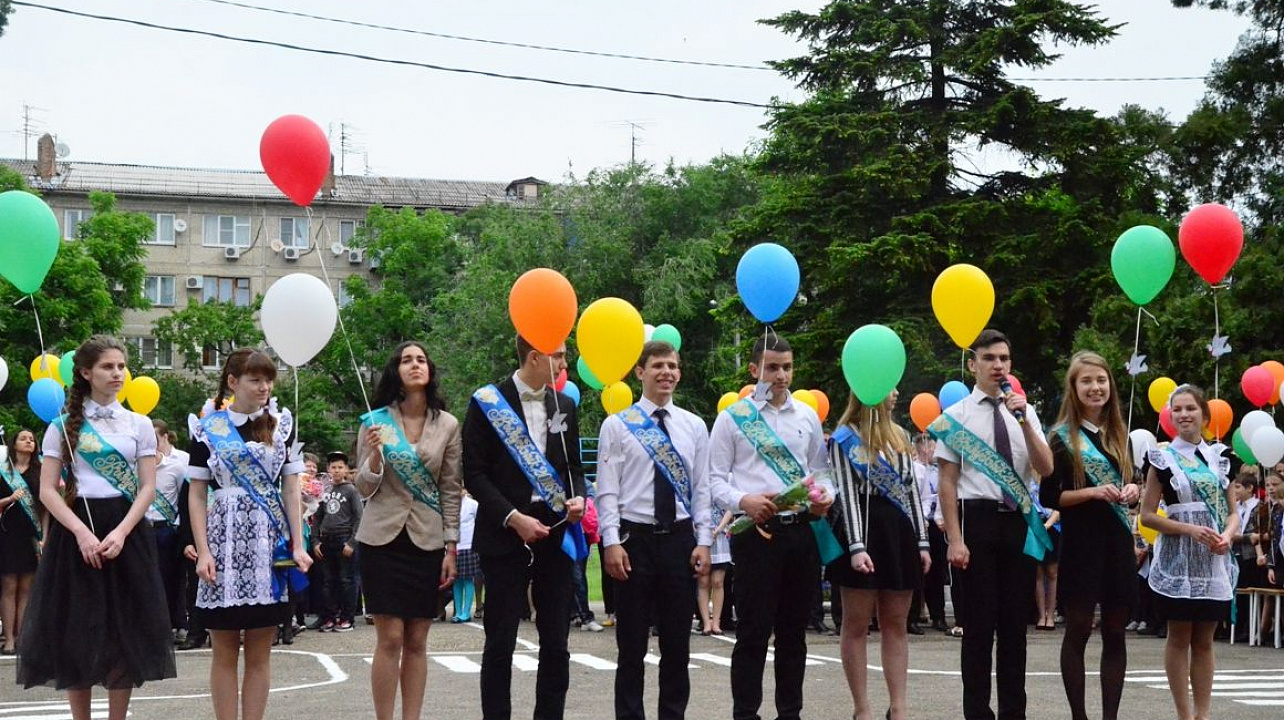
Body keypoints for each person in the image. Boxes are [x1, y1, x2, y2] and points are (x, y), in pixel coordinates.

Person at [17, 335, 177, 720]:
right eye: (108, 366)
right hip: (77, 533)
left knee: (124, 633)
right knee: (79, 631)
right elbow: (48, 491)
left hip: (127, 532)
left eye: (121, 366)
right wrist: (81, 534)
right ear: (86, 373)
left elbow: (148, 487)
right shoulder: (61, 427)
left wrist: (121, 532)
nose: (118, 373)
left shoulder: (139, 424)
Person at [708, 333, 834, 720]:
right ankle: (746, 712)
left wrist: (825, 496)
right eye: (772, 367)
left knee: (794, 632)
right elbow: (714, 480)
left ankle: (790, 712)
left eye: (787, 367)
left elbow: (822, 472)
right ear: (754, 369)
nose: (781, 375)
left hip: (800, 532)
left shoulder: (807, 417)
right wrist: (742, 501)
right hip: (756, 533)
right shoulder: (733, 418)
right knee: (753, 632)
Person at [931, 328, 1054, 720]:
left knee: (1015, 628)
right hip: (977, 521)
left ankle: (1013, 712)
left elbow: (1046, 468)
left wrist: (1024, 421)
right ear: (973, 365)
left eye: (1003, 358)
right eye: (989, 358)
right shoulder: (955, 417)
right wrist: (954, 539)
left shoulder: (1025, 412)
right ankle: (977, 712)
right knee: (979, 629)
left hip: (1017, 520)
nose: (997, 365)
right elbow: (947, 482)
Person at [463, 336, 586, 720]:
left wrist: (578, 498)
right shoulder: (487, 402)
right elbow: (475, 473)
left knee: (556, 642)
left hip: (555, 530)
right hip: (505, 533)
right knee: (500, 641)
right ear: (535, 357)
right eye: (560, 355)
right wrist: (512, 518)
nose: (566, 362)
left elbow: (574, 469)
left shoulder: (564, 404)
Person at [187, 348, 311, 720]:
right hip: (222, 540)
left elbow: (291, 489)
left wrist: (298, 543)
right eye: (255, 379)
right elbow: (196, 493)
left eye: (268, 379)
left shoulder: (281, 425)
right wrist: (203, 551)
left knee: (261, 648)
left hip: (266, 545)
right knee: (223, 649)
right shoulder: (209, 427)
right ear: (233, 382)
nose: (264, 387)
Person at [598, 340, 712, 720]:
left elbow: (702, 489)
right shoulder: (617, 425)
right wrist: (611, 542)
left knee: (677, 646)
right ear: (640, 372)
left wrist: (704, 541)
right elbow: (608, 489)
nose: (667, 372)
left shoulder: (694, 426)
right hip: (634, 541)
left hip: (679, 540)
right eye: (659, 365)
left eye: (673, 366)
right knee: (630, 646)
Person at [355, 341, 464, 720]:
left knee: (417, 640)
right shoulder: (375, 422)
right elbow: (363, 487)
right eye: (406, 360)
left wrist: (451, 547)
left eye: (420, 359)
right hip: (381, 540)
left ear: (429, 370)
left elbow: (451, 488)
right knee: (390, 638)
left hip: (427, 539)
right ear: (396, 372)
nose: (414, 365)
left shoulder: (448, 424)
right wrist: (373, 457)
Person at [1038, 351, 1138, 720]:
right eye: (1087, 382)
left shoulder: (1120, 436)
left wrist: (1132, 492)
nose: (1096, 388)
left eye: (1101, 381)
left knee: (1116, 631)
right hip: (1081, 543)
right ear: (1074, 387)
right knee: (1078, 628)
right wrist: (1093, 493)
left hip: (1117, 542)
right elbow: (1050, 497)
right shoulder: (1061, 438)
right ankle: (1079, 716)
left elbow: (1133, 483)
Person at [827, 390, 930, 720]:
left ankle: (898, 706)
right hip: (862, 529)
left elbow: (911, 489)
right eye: (889, 386)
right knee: (857, 624)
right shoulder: (845, 437)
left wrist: (922, 541)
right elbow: (845, 495)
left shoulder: (900, 435)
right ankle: (862, 709)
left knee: (896, 623)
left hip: (897, 532)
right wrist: (856, 547)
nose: (896, 393)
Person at [1140, 384, 1238, 720]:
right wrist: (1189, 529)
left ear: (1204, 414)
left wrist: (1227, 535)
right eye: (1177, 410)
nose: (1184, 415)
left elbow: (1233, 512)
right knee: (1179, 636)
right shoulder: (1161, 458)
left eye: (1190, 408)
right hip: (1178, 560)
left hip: (1212, 560)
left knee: (1206, 640)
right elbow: (1148, 514)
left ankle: (1203, 713)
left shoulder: (1221, 459)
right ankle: (1184, 713)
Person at [1, 428, 42, 655]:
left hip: (31, 535)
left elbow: (46, 509)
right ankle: (9, 638)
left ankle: (23, 636)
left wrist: (44, 536)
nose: (28, 441)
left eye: (32, 439)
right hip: (7, 534)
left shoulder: (40, 471)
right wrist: (9, 498)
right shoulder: (3, 471)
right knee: (9, 585)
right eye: (23, 438)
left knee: (27, 586)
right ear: (13, 443)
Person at [314, 451, 364, 632]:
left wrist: (352, 542)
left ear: (346, 470)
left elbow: (359, 517)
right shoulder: (323, 490)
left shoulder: (351, 490)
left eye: (340, 467)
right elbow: (317, 517)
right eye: (333, 467)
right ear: (328, 469)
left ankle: (347, 618)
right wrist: (315, 541)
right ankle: (329, 617)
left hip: (345, 539)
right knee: (328, 582)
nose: (336, 471)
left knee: (347, 580)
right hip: (326, 541)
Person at [150, 420, 188, 642]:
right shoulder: (136, 466)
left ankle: (178, 623)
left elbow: (186, 499)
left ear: (164, 437)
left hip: (168, 529)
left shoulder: (179, 464)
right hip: (143, 529)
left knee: (172, 578)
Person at [912, 433, 949, 632]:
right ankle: (915, 614)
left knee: (937, 570)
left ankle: (939, 615)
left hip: (937, 524)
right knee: (918, 570)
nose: (934, 450)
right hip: (920, 523)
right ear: (923, 448)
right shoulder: (914, 468)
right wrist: (923, 519)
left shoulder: (939, 470)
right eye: (931, 446)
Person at [1230, 471, 1264, 643]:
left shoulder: (1259, 506)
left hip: (1250, 555)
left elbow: (1257, 533)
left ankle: (1248, 628)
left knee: (1249, 589)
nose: (1235, 491)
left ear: (1250, 488)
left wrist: (1248, 538)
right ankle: (1238, 626)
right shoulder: (1237, 507)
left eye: (1238, 487)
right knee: (1239, 592)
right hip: (1237, 551)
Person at [697, 507, 732, 635]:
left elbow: (730, 509)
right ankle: (706, 623)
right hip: (700, 538)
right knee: (703, 582)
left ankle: (716, 622)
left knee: (718, 582)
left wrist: (719, 528)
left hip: (720, 537)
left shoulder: (722, 487)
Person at [1031, 487, 1060, 630]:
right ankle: (1041, 615)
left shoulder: (1054, 474)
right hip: (1034, 525)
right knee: (1038, 572)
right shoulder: (1029, 476)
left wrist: (1048, 524)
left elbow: (1060, 504)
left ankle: (1050, 615)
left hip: (1054, 526)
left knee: (1052, 572)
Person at [454, 491, 481, 623]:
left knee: (468, 579)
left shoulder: (473, 504)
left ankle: (466, 612)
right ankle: (458, 612)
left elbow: (479, 523)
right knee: (456, 580)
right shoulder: (450, 504)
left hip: (469, 545)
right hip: (454, 546)